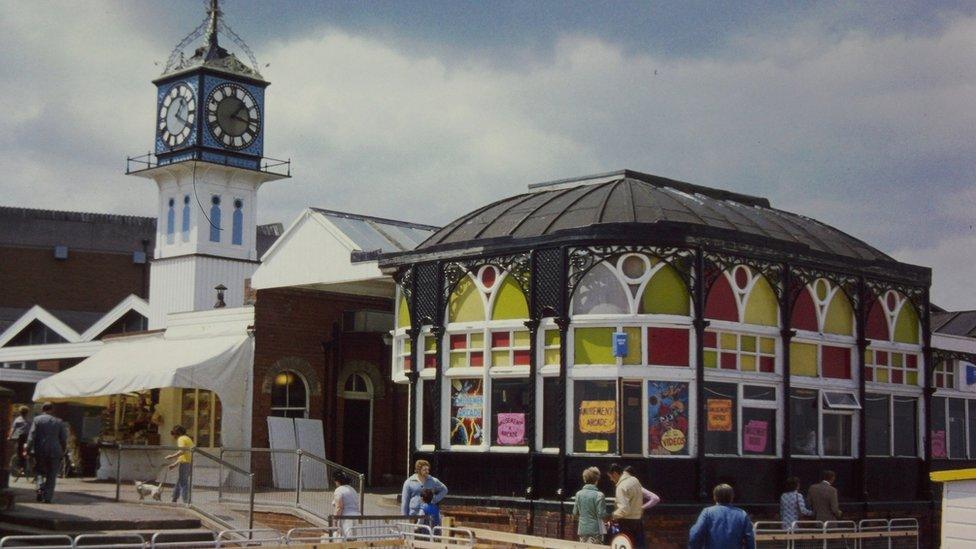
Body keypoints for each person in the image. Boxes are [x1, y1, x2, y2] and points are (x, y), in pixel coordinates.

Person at [688, 484, 755, 549]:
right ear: (732, 497)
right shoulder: (742, 514)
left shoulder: (707, 512)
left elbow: (695, 534)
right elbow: (750, 538)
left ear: (714, 497)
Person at [26, 402, 68, 503]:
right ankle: (48, 497)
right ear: (52, 410)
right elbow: (63, 438)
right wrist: (63, 450)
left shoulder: (37, 419)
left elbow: (32, 436)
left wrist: (28, 449)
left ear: (42, 409)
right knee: (52, 474)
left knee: (39, 470)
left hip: (40, 450)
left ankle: (40, 486)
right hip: (55, 450)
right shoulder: (59, 421)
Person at [608, 463, 645, 548]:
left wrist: (612, 515)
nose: (611, 479)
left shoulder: (621, 487)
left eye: (610, 476)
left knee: (627, 545)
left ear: (615, 474)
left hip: (627, 523)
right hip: (638, 520)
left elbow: (624, 509)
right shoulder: (635, 480)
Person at [572, 466, 608, 544]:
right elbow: (602, 514)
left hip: (582, 530)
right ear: (596, 480)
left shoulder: (578, 494)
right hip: (596, 531)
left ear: (585, 479)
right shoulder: (599, 495)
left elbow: (575, 513)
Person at [164, 425, 194, 503]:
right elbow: (184, 455)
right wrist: (175, 464)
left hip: (185, 463)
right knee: (180, 480)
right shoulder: (187, 438)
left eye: (174, 433)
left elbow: (182, 451)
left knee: (183, 482)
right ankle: (174, 498)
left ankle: (186, 501)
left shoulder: (181, 439)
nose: (173, 436)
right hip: (188, 462)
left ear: (178, 433)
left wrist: (172, 456)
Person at [332, 470, 361, 538]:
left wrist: (335, 521)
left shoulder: (339, 490)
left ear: (337, 481)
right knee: (353, 540)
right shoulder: (352, 489)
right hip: (355, 516)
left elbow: (339, 507)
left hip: (346, 517)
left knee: (346, 539)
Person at [8, 406, 31, 481]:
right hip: (25, 438)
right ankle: (23, 467)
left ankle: (22, 467)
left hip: (22, 438)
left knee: (21, 454)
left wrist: (10, 436)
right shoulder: (29, 420)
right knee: (22, 454)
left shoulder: (18, 420)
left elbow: (13, 429)